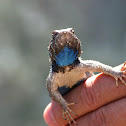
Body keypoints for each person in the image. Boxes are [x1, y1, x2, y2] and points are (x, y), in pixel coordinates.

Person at [43, 64, 126, 126]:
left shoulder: (81, 65)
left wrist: (116, 73)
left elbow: (98, 66)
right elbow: (52, 91)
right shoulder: (54, 77)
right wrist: (64, 105)